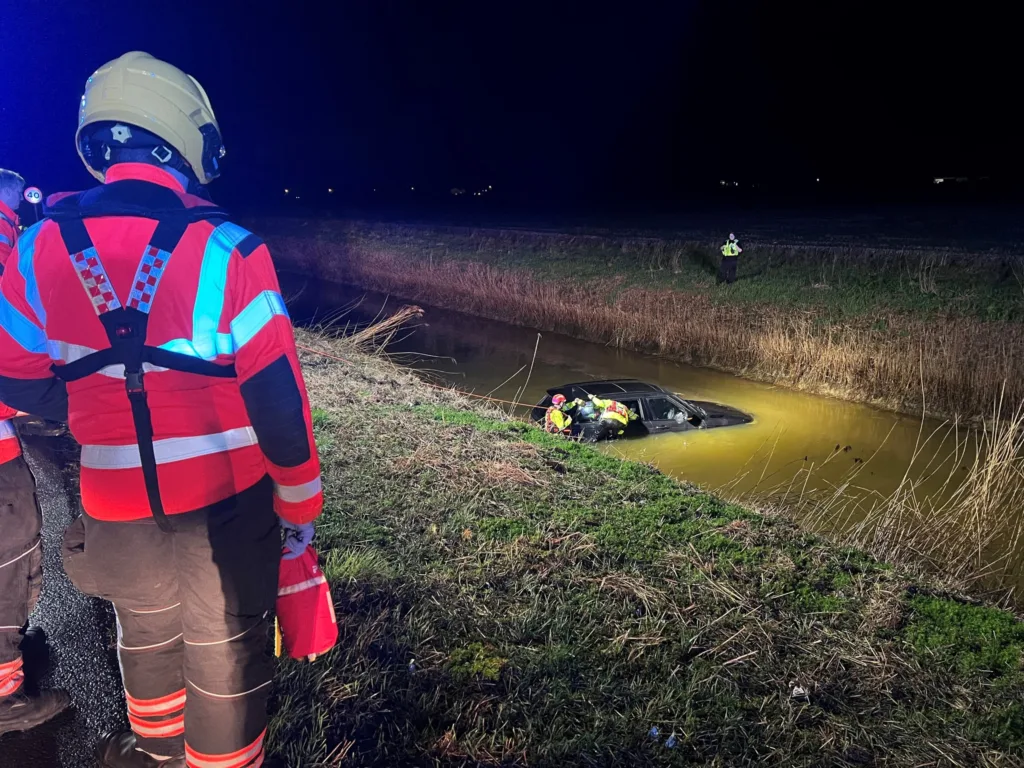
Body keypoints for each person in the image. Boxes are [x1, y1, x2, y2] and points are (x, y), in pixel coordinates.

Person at [0, 51, 323, 768]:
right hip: (224, 510)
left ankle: (153, 754)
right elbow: (278, 400)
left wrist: (83, 405)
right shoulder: (232, 251)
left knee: (144, 634)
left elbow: (10, 369)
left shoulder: (36, 249)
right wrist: (301, 505)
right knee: (226, 656)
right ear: (183, 136)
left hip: (117, 509)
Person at [0, 168, 26, 275]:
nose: (22, 198)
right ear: (7, 191)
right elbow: (3, 267)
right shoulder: (2, 222)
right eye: (19, 193)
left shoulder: (8, 222)